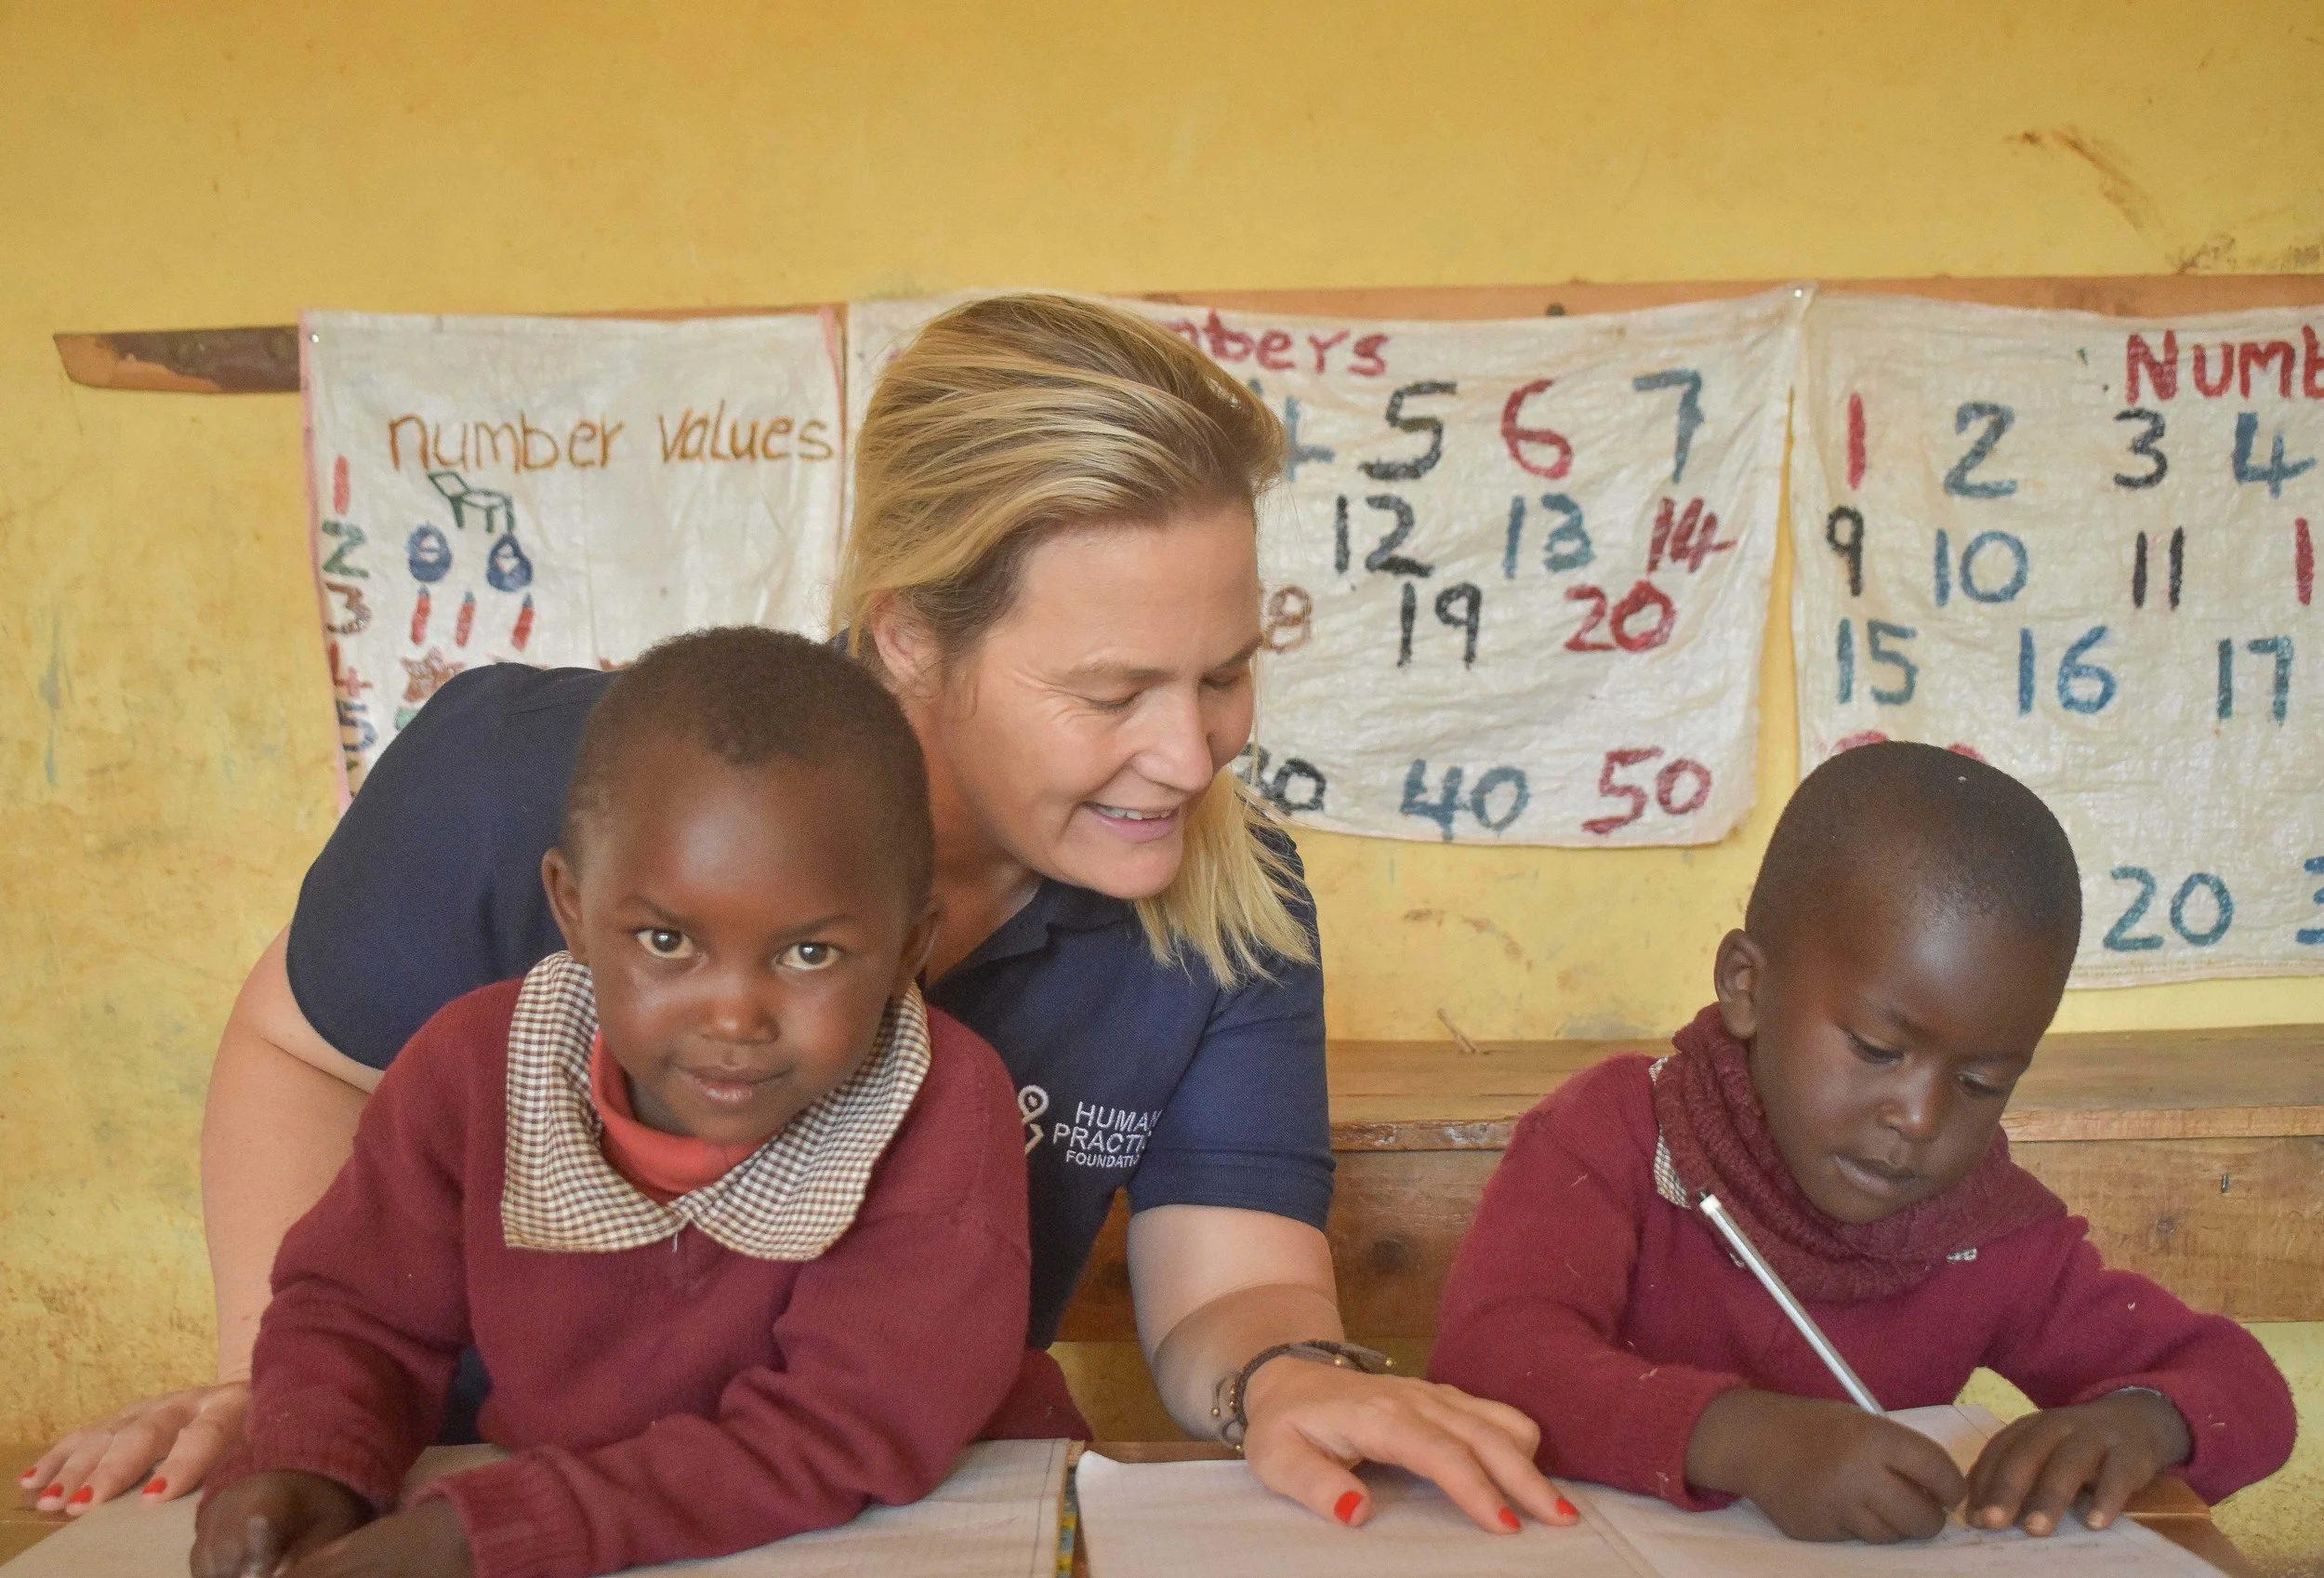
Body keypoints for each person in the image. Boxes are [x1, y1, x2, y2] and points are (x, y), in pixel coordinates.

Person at [27, 294, 1567, 1537]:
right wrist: (287, 1399)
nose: (1193, 751)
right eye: (1114, 693)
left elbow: (1230, 1286)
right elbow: (307, 1054)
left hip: (871, 1512)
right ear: (910, 637)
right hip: (465, 1502)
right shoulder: (529, 780)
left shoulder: (1231, 901)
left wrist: (1287, 1375)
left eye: (1225, 673)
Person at [191, 628, 1032, 1578]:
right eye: (667, 940)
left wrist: (488, 1533)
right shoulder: (476, 1070)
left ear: (911, 945)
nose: (734, 1016)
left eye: (810, 953)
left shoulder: (937, 1108)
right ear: (573, 908)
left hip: (921, 1535)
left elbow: (843, 1427)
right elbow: (358, 1314)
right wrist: (306, 1463)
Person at [1427, 741, 2296, 1544]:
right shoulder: (1623, 1134)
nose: (1920, 1117)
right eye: (1879, 1049)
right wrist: (1744, 1440)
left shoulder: (1985, 1231)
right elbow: (1489, 1360)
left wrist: (2141, 1421)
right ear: (1747, 986)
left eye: (1982, 1082)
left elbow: (2242, 1386)